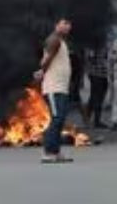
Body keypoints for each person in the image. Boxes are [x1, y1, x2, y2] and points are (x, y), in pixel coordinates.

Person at [34, 18, 74, 163]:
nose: (67, 26)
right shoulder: (54, 40)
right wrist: (42, 71)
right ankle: (48, 152)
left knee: (60, 120)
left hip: (61, 88)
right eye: (64, 23)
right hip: (53, 87)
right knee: (57, 119)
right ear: (56, 25)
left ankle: (56, 152)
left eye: (69, 24)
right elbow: (47, 59)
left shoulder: (61, 42)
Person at [84, 42, 110, 129]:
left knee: (97, 97)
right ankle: (95, 120)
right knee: (96, 97)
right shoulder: (92, 46)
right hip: (95, 73)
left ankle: (91, 119)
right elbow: (90, 59)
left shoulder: (103, 45)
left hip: (103, 74)